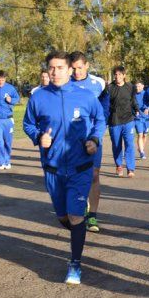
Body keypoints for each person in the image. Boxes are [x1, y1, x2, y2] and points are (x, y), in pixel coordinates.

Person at [23, 50, 106, 285]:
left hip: (80, 167)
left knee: (76, 216)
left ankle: (75, 264)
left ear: (70, 70)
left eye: (60, 68)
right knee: (63, 217)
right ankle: (77, 234)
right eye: (51, 68)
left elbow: (99, 120)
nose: (55, 72)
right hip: (53, 169)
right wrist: (39, 136)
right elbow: (28, 124)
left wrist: (95, 140)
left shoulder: (86, 96)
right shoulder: (38, 98)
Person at [69, 51, 107, 232]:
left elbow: (104, 111)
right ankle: (79, 206)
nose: (77, 72)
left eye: (80, 68)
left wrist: (96, 136)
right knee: (74, 176)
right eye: (73, 68)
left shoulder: (98, 84)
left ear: (87, 65)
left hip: (93, 138)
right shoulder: (64, 84)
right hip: (70, 140)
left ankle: (93, 216)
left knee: (93, 175)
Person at [101, 66, 139, 177]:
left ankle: (130, 168)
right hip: (114, 121)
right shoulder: (109, 88)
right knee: (117, 145)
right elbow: (105, 104)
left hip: (128, 120)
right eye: (115, 75)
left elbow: (133, 100)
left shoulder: (130, 87)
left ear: (124, 75)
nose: (117, 77)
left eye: (119, 74)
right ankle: (119, 165)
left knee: (129, 144)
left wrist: (136, 109)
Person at [0, 69, 20, 170]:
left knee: (7, 142)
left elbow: (17, 99)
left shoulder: (11, 88)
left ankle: (7, 160)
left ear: (5, 79)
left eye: (2, 80)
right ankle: (0, 162)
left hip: (8, 120)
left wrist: (11, 100)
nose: (0, 82)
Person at [133, 81, 149, 160]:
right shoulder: (133, 95)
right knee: (140, 134)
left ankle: (141, 148)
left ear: (143, 86)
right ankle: (142, 152)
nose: (137, 88)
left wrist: (148, 108)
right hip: (137, 118)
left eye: (139, 86)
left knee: (145, 135)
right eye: (136, 86)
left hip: (146, 118)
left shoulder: (147, 94)